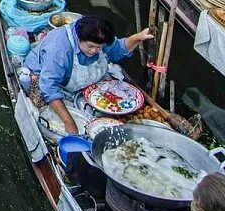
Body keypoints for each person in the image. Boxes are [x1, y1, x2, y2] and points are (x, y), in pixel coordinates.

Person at [25, 15, 153, 134]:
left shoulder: (100, 36)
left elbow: (118, 49)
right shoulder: (59, 49)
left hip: (80, 83)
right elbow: (49, 87)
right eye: (90, 46)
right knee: (41, 106)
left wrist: (138, 37)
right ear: (79, 38)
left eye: (99, 47)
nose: (94, 51)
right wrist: (69, 122)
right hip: (43, 76)